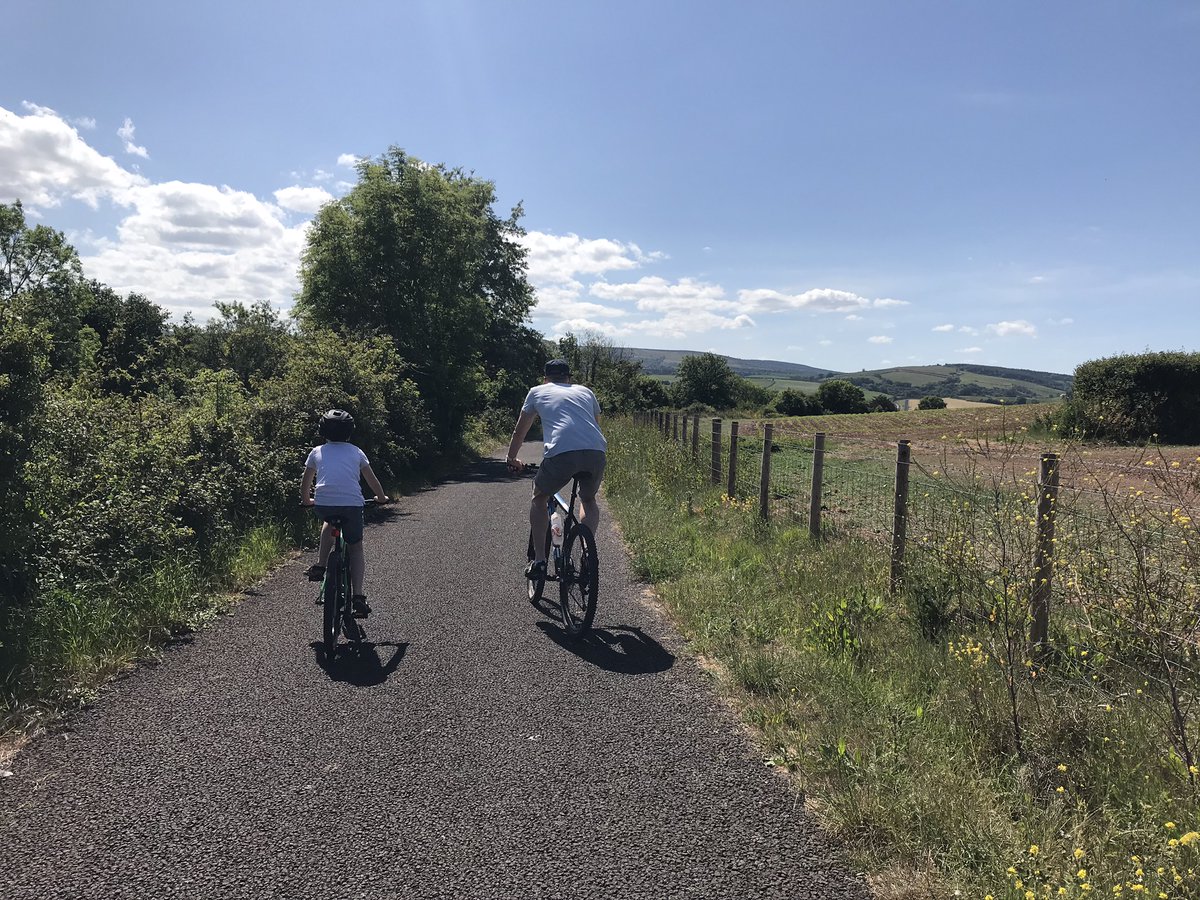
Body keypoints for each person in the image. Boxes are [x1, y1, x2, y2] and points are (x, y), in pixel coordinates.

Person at [506, 359, 607, 581]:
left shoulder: (537, 391)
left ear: (545, 378)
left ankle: (540, 561)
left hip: (561, 453)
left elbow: (520, 431)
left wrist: (512, 458)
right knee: (588, 500)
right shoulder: (586, 392)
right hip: (596, 450)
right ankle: (587, 553)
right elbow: (595, 424)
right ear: (569, 378)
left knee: (539, 497)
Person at [299, 409, 388, 617]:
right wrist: (381, 498)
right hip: (352, 506)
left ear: (323, 431)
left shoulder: (317, 451)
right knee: (355, 548)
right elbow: (371, 479)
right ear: (350, 431)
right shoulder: (356, 452)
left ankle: (321, 565)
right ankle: (358, 596)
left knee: (328, 523)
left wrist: (307, 500)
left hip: (324, 505)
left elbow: (306, 482)